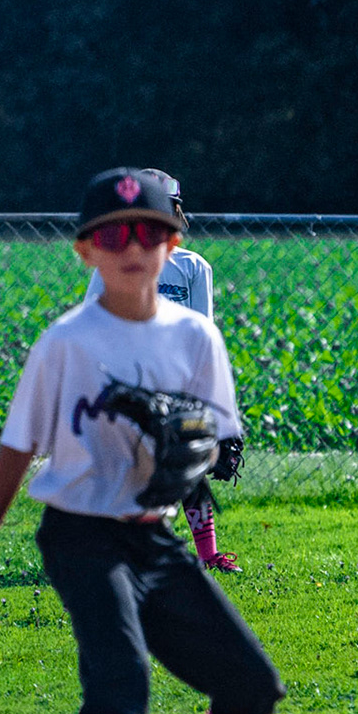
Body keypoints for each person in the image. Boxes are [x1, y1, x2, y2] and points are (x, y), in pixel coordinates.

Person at [0, 167, 288, 714]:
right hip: (80, 534)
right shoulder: (68, 342)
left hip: (153, 538)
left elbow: (208, 432)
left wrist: (198, 454)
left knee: (252, 685)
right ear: (85, 250)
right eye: (114, 234)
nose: (133, 247)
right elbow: (17, 445)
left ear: (174, 246)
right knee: (120, 679)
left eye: (150, 232)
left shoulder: (195, 336)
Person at [84, 170, 244, 573]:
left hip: (177, 382)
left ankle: (207, 553)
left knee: (188, 467)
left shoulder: (194, 267)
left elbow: (202, 331)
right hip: (125, 380)